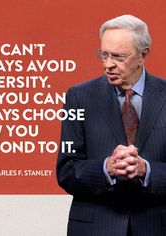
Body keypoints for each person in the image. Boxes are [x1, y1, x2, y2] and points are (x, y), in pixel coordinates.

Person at [56, 15, 166, 236]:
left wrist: (146, 171)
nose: (108, 64)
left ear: (143, 55)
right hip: (95, 228)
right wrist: (107, 168)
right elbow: (66, 169)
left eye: (118, 56)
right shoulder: (78, 97)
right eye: (104, 55)